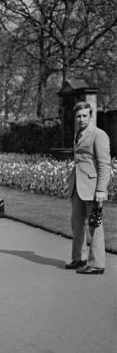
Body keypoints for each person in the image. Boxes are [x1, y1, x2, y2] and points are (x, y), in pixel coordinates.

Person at [65, 101, 111, 274]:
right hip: (77, 186)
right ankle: (79, 258)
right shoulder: (78, 134)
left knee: (95, 224)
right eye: (78, 116)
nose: (81, 119)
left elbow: (104, 165)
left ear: (90, 116)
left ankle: (97, 264)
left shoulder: (99, 135)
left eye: (84, 115)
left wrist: (101, 190)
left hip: (92, 188)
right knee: (77, 223)